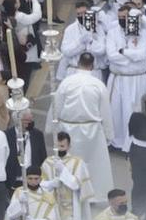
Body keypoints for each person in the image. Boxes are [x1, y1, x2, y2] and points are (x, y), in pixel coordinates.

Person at [49, 51, 115, 200]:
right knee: (92, 166)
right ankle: (92, 196)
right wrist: (109, 134)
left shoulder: (67, 82)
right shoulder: (98, 84)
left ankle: (67, 193)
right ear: (92, 66)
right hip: (91, 130)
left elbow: (56, 105)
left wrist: (51, 127)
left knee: (69, 164)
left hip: (68, 130)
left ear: (78, 63)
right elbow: (105, 111)